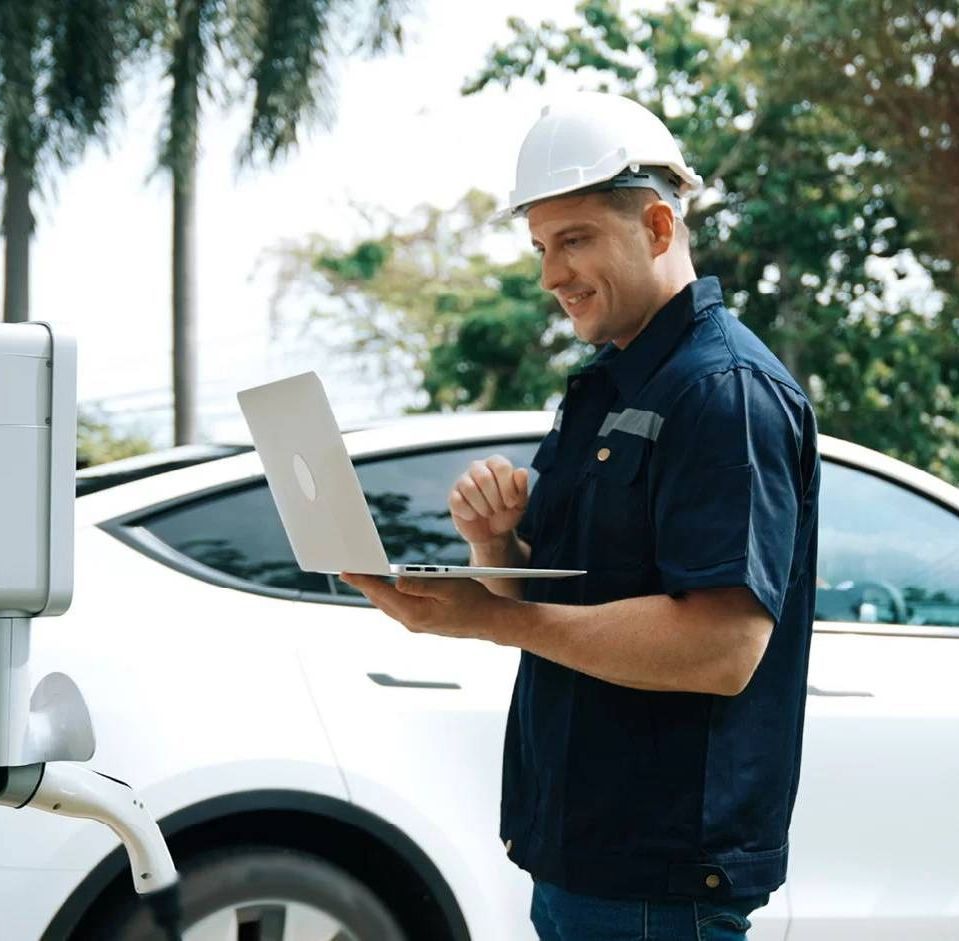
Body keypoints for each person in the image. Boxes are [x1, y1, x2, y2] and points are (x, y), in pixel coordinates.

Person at [341, 91, 820, 940]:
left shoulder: (722, 394)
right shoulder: (603, 388)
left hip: (659, 878)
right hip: (580, 853)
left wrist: (496, 619)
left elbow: (721, 646)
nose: (549, 275)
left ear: (659, 227)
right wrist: (494, 540)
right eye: (539, 246)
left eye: (574, 240)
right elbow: (558, 587)